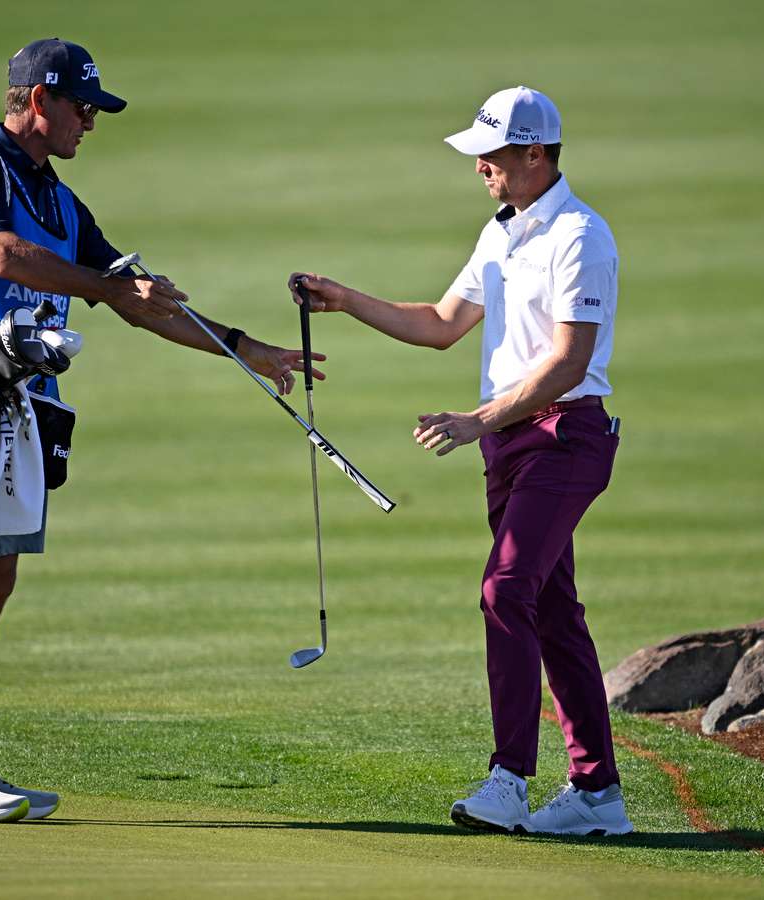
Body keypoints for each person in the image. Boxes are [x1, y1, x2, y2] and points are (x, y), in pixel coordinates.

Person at [0, 38, 321, 824]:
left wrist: (244, 347)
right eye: (82, 106)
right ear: (36, 100)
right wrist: (105, 285)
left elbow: (137, 299)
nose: (90, 122)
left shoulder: (61, 200)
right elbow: (0, 255)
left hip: (24, 410)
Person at [289, 86, 631, 836]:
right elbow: (444, 324)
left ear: (536, 155)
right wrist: (345, 299)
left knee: (505, 590)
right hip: (513, 440)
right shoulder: (503, 231)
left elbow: (571, 362)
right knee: (550, 610)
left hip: (565, 437)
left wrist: (477, 419)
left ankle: (509, 780)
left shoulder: (580, 235)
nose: (481, 167)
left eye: (493, 156)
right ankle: (598, 796)